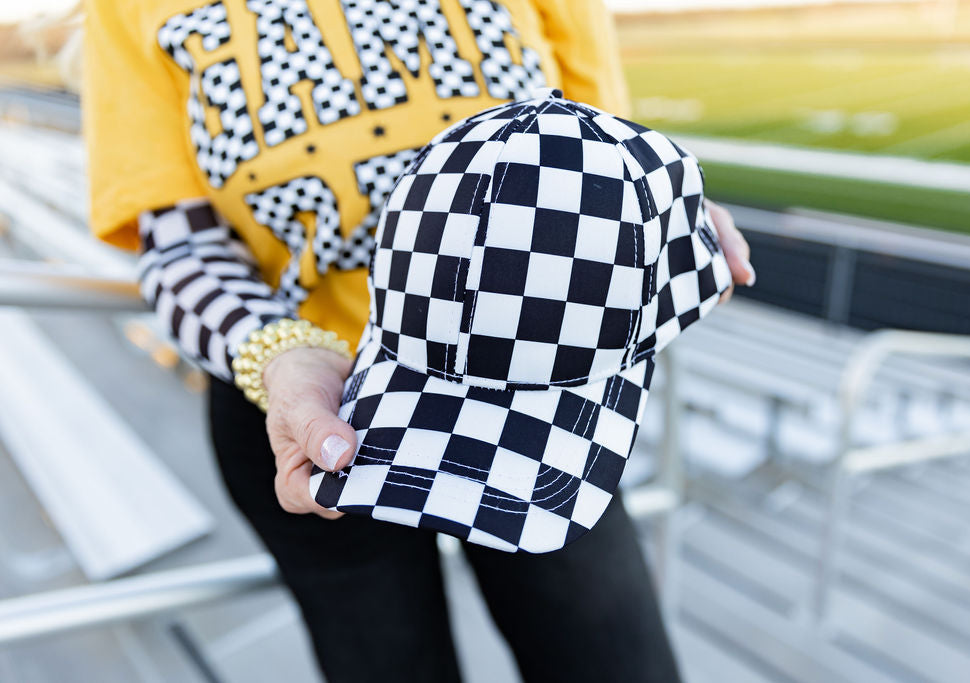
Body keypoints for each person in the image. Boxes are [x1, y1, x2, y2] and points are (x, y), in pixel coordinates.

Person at [83, 2, 755, 681]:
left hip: (543, 393)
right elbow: (181, 249)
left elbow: (601, 151)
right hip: (314, 404)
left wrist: (668, 214)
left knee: (615, 661)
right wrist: (277, 352)